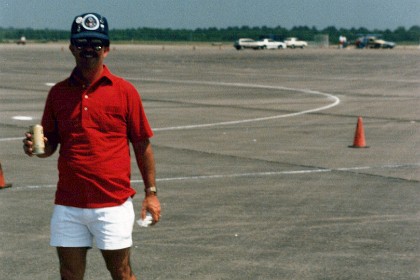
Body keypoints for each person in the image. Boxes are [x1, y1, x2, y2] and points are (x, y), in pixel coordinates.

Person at [23, 12, 161, 280]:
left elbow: (142, 145)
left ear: (107, 49)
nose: (89, 49)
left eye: (96, 44)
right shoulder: (58, 93)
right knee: (69, 274)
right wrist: (36, 148)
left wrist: (151, 193)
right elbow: (50, 145)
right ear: (71, 47)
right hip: (68, 204)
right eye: (82, 43)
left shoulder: (125, 91)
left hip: (112, 204)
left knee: (121, 273)